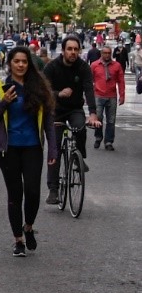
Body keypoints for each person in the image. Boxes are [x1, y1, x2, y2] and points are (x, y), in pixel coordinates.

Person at [0, 47, 58, 257]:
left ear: (29, 64)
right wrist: (4, 102)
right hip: (8, 150)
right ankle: (18, 239)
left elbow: (48, 123)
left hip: (33, 147)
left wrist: (52, 148)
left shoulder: (39, 88)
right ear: (10, 63)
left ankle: (28, 226)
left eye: (24, 62)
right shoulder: (0, 87)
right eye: (16, 61)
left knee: (33, 192)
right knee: (15, 194)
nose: (20, 65)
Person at [43, 35, 100, 204]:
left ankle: (79, 158)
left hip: (74, 108)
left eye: (76, 49)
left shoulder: (83, 67)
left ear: (80, 51)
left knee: (80, 127)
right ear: (63, 50)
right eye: (70, 49)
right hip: (56, 110)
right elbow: (44, 91)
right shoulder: (51, 67)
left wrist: (93, 113)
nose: (73, 52)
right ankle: (53, 190)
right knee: (55, 149)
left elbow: (89, 89)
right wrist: (58, 94)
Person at [91, 45, 125, 152]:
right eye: (104, 53)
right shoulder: (94, 65)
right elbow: (89, 80)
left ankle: (109, 141)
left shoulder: (116, 65)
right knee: (98, 118)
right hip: (98, 95)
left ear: (111, 54)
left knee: (111, 120)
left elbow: (121, 81)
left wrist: (122, 95)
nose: (106, 55)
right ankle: (98, 137)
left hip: (112, 96)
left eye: (108, 53)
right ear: (101, 54)